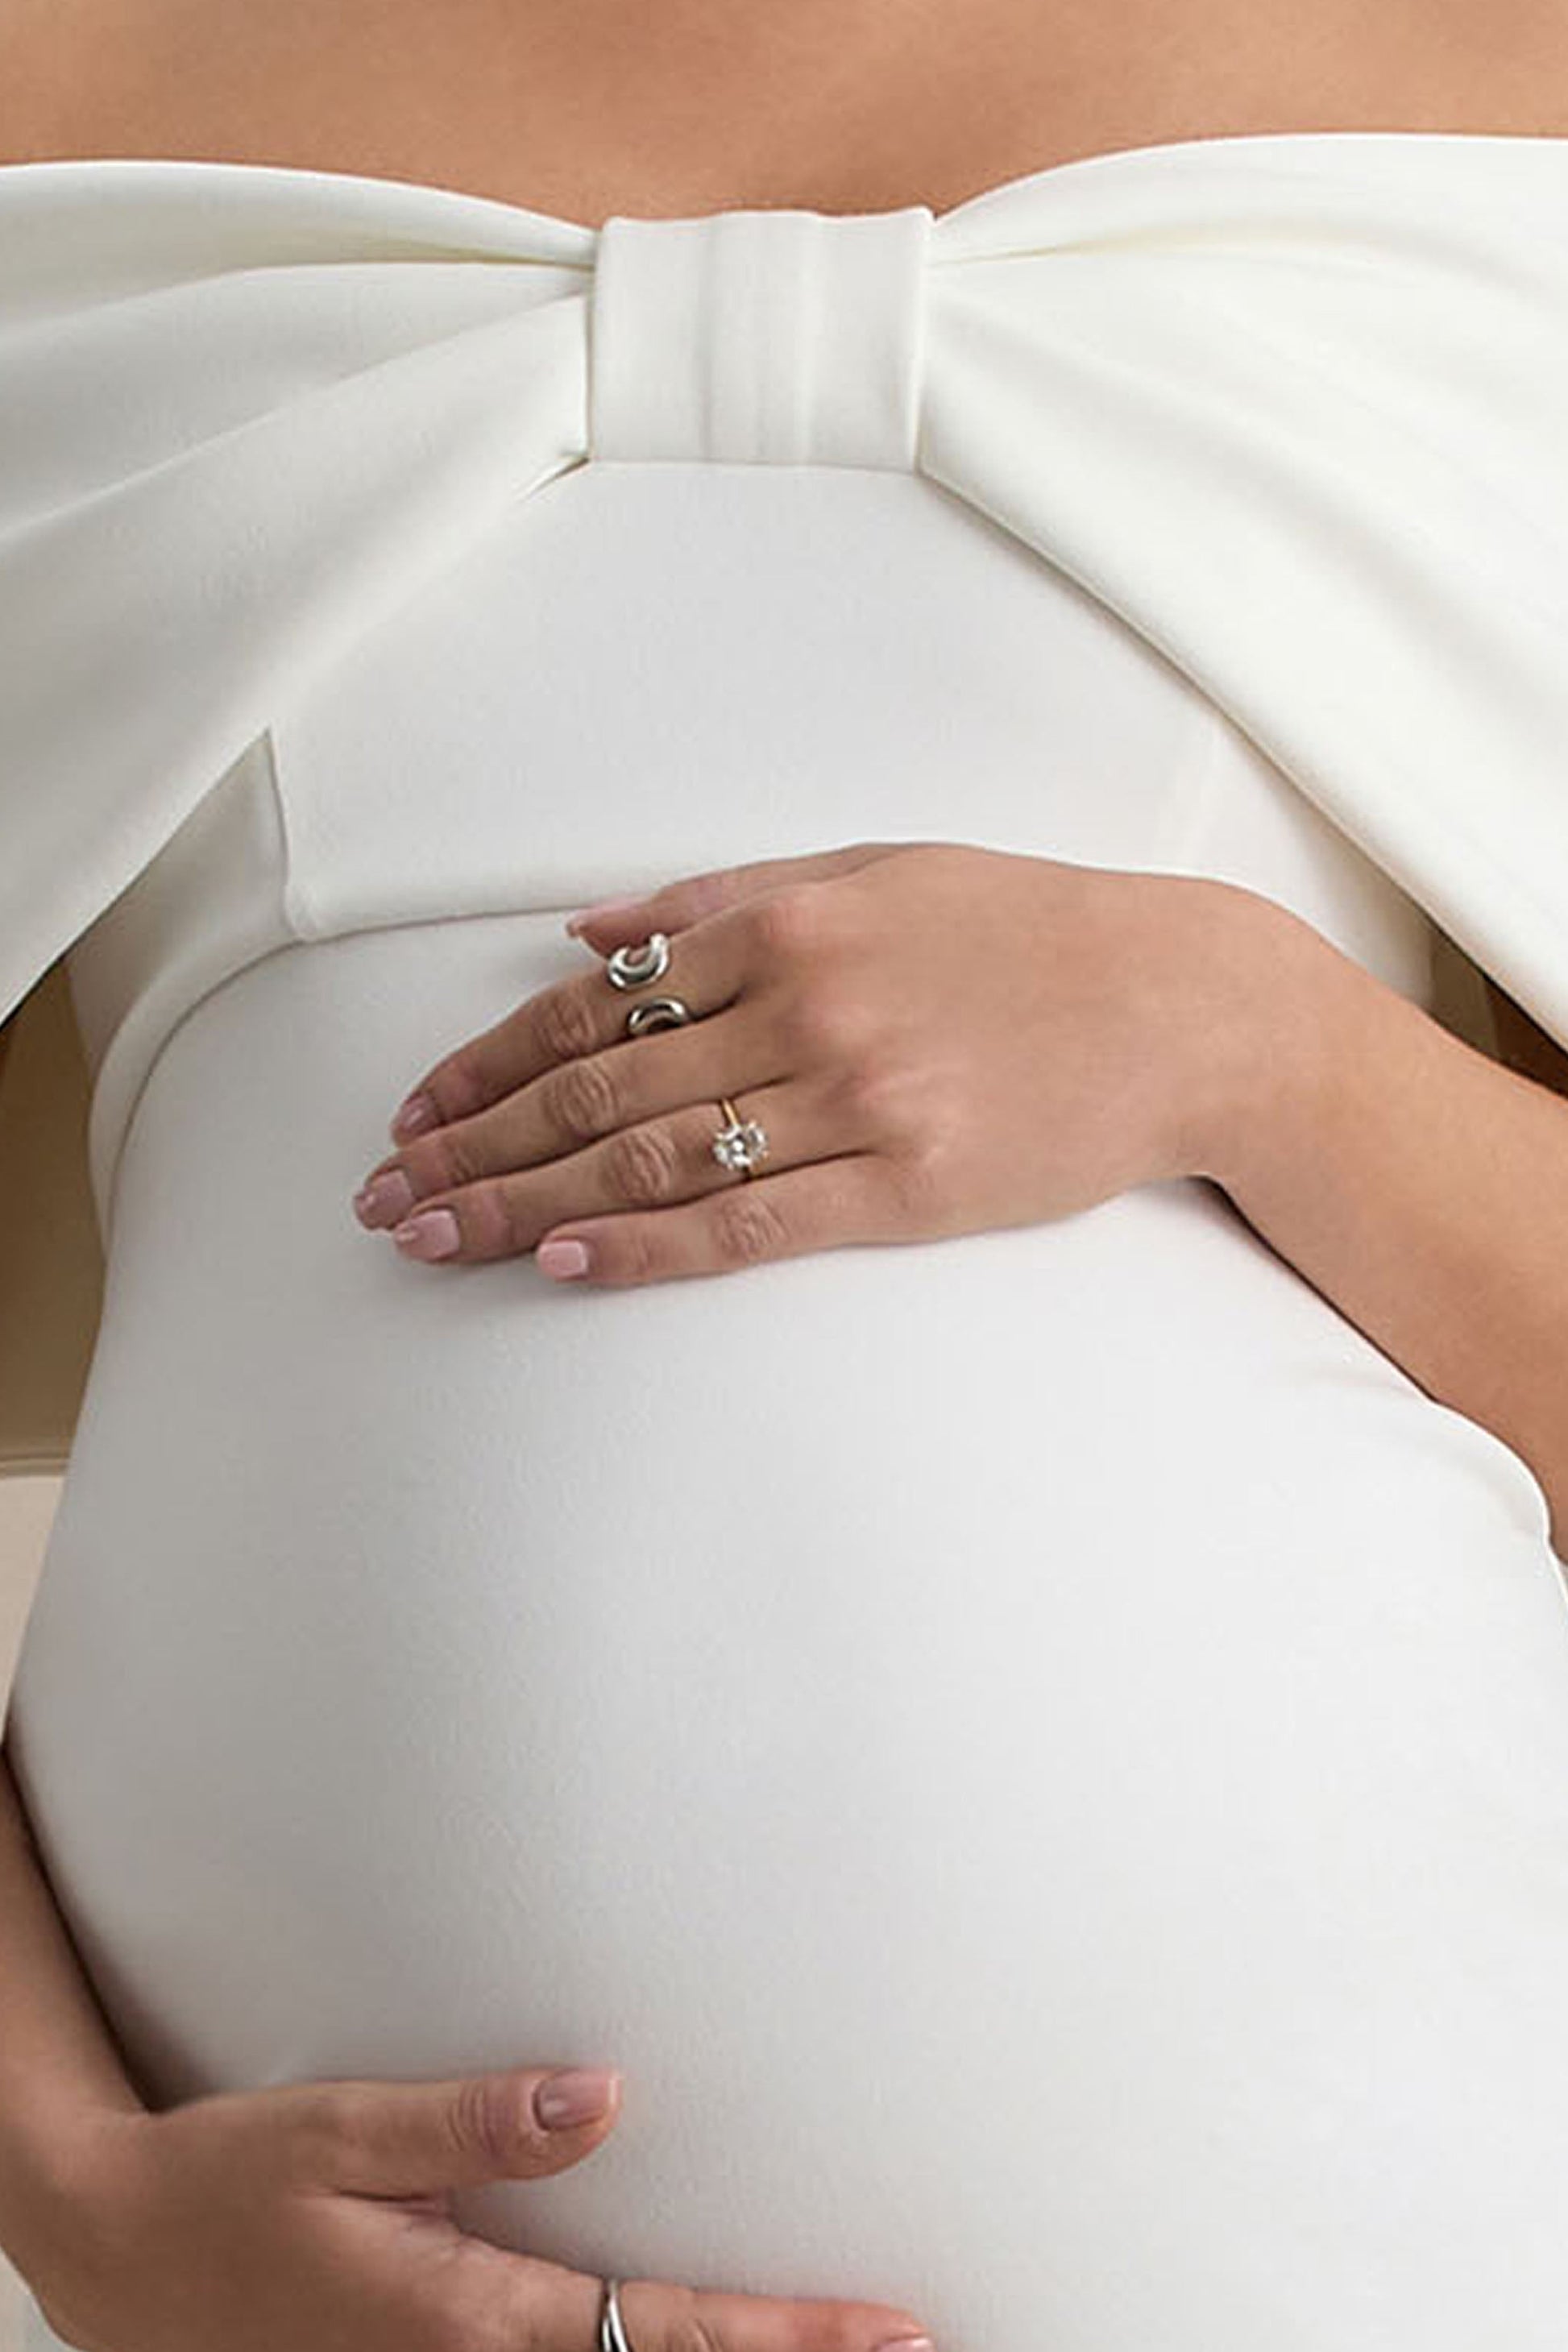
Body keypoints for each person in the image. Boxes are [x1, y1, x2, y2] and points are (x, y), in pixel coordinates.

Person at [3, 6, 1568, 2349]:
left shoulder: (1515, 94)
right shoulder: (51, 95)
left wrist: (1258, 1045)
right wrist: (61, 2189)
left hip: (1358, 2228)